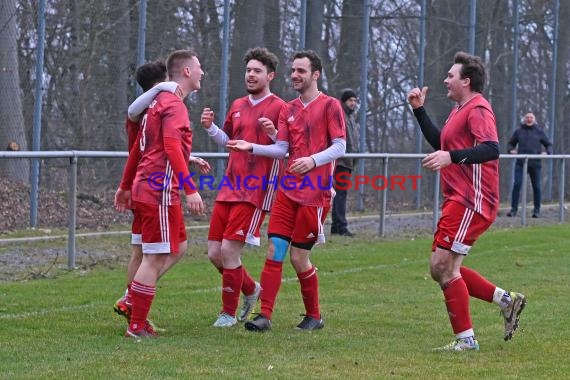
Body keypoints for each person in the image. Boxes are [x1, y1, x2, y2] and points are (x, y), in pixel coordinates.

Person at [407, 51, 526, 351]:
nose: (445, 80)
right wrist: (419, 111)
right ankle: (506, 301)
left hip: (473, 201)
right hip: (458, 200)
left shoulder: (478, 109)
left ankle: (467, 340)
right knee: (442, 269)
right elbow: (443, 143)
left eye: (451, 76)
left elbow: (491, 149)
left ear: (466, 81)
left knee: (442, 265)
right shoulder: (460, 108)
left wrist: (452, 157)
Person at [227, 50, 346, 332]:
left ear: (315, 75)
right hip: (287, 190)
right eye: (293, 70)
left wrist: (313, 160)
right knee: (275, 249)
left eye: (301, 71)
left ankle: (314, 316)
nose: (294, 75)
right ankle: (264, 316)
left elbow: (340, 146)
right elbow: (282, 149)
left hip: (315, 193)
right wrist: (252, 146)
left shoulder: (330, 106)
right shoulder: (288, 109)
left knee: (298, 257)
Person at [115, 49, 205, 338]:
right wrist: (190, 188)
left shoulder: (155, 104)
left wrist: (126, 185)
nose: (203, 72)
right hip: (158, 189)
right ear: (187, 72)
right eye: (199, 67)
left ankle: (132, 304)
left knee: (174, 248)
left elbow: (141, 149)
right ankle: (136, 323)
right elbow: (168, 146)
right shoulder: (173, 103)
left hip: (145, 185)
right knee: (154, 257)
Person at [200, 47, 286, 327]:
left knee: (229, 251)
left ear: (270, 75)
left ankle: (228, 313)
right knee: (214, 253)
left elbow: (285, 150)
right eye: (248, 70)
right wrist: (211, 128)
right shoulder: (237, 104)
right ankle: (251, 289)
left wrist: (271, 134)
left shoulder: (279, 107)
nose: (251, 75)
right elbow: (229, 140)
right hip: (229, 186)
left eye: (257, 71)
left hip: (255, 190)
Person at [506, 112, 552, 218]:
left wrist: (547, 152)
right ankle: (513, 210)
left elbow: (548, 144)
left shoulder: (539, 132)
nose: (529, 119)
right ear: (524, 119)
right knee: (517, 185)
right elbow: (510, 143)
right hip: (521, 163)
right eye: (527, 117)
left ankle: (536, 210)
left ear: (534, 120)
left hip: (535, 164)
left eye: (531, 117)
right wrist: (511, 150)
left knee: (536, 187)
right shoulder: (519, 131)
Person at [331, 88, 360, 237]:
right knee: (340, 194)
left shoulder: (351, 118)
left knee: (340, 194)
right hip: (340, 162)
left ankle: (337, 226)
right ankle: (341, 226)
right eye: (350, 100)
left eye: (355, 101)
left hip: (348, 162)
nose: (353, 103)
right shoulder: (340, 116)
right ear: (344, 101)